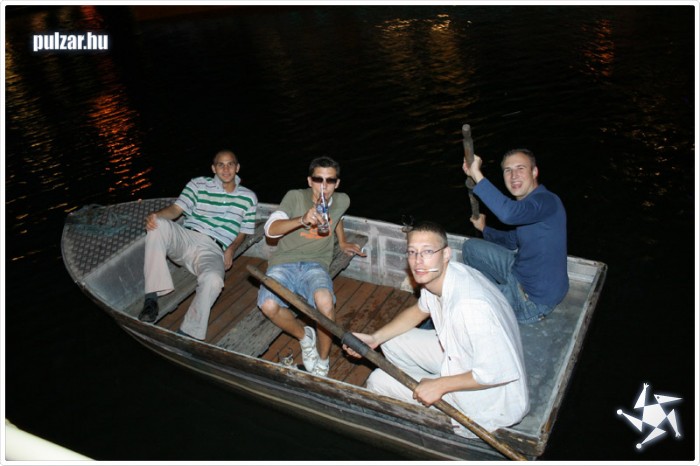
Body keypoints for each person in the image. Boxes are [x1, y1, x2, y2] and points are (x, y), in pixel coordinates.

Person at [344, 220, 528, 437]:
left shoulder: (470, 307)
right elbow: (419, 310)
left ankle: (426, 415)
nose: (418, 261)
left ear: (446, 254)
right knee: (390, 341)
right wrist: (375, 338)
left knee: (377, 380)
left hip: (492, 399)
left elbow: (497, 373)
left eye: (428, 251)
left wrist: (440, 385)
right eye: (412, 252)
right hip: (463, 358)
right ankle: (423, 391)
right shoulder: (443, 276)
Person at [257, 156, 365, 377]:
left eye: (330, 180)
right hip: (284, 262)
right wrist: (302, 219)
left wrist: (342, 241)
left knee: (325, 302)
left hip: (316, 264)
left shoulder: (342, 200)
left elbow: (338, 217)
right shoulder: (295, 197)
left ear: (337, 183)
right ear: (309, 181)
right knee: (268, 305)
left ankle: (323, 362)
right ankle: (305, 337)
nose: (324, 186)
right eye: (318, 179)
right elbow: (270, 229)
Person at [138, 150, 258, 340]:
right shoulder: (198, 184)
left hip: (213, 249)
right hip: (187, 237)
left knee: (214, 280)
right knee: (158, 225)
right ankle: (151, 299)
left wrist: (231, 249)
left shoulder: (249, 197)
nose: (226, 169)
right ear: (213, 168)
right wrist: (155, 216)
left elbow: (244, 230)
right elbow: (176, 210)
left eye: (230, 164)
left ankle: (188, 332)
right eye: (220, 164)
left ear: (237, 167)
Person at [462, 148, 568, 324]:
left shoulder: (547, 201)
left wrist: (476, 174)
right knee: (470, 247)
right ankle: (493, 291)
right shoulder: (529, 207)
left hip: (531, 301)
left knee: (464, 299)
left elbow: (509, 214)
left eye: (520, 168)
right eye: (508, 170)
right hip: (518, 272)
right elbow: (511, 240)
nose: (514, 176)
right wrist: (485, 229)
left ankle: (491, 296)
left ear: (534, 172)